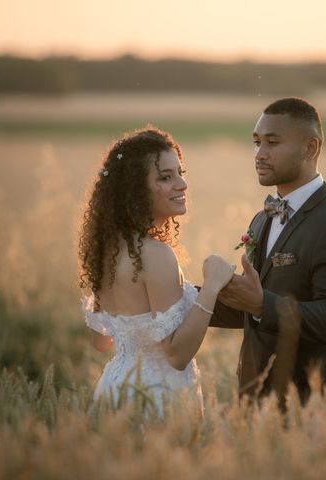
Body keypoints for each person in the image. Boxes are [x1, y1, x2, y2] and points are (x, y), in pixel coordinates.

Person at [210, 98, 326, 407]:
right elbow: (251, 306)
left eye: (272, 142)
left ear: (310, 148)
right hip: (254, 400)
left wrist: (261, 304)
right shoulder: (262, 218)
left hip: (311, 405)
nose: (259, 153)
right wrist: (178, 298)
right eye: (256, 142)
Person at [78, 127, 234, 418]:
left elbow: (101, 342)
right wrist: (212, 287)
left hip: (114, 389)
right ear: (135, 190)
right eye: (166, 177)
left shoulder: (108, 250)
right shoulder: (155, 254)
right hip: (155, 396)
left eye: (180, 172)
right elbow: (176, 355)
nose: (182, 184)